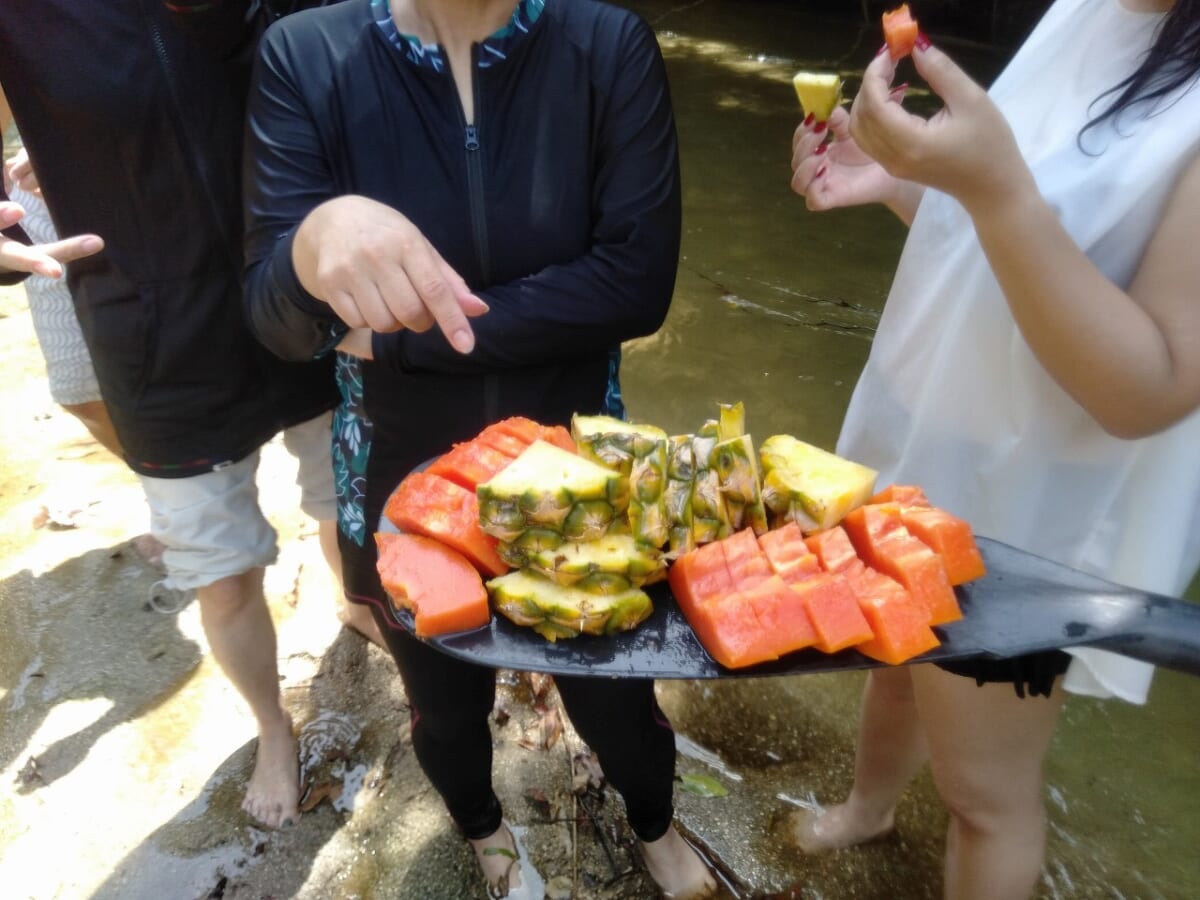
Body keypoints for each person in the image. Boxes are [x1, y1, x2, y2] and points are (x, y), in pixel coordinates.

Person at [240, 0, 718, 895]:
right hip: (395, 480)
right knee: (443, 710)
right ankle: (485, 832)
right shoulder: (305, 55)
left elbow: (635, 283)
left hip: (577, 472)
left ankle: (653, 819)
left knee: (619, 702)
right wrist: (310, 247)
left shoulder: (605, 42)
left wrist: (399, 339)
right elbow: (276, 322)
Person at [787, 1, 1200, 897]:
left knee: (986, 793)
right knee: (894, 660)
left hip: (1038, 507)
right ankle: (870, 808)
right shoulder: (1089, 11)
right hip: (930, 430)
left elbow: (1153, 386)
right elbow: (1014, 257)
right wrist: (904, 183)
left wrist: (993, 186)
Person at [0, 0, 385, 831]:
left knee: (342, 504)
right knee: (222, 573)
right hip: (153, 332)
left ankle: (354, 606)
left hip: (298, 288)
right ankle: (273, 730)